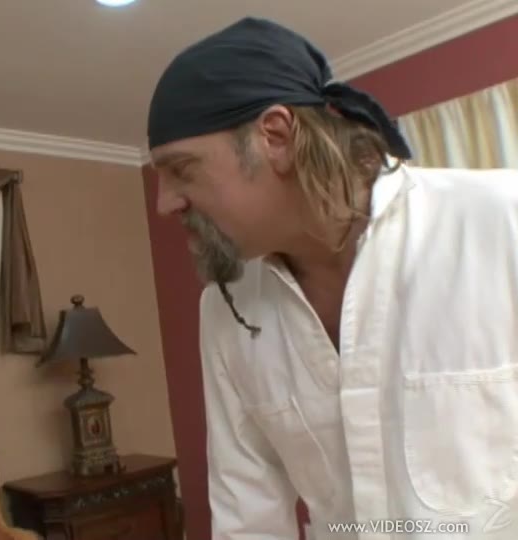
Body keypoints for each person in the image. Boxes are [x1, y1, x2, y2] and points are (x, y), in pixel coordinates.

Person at [147, 16, 518, 540]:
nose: (164, 204)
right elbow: (248, 517)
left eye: (182, 169)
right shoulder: (226, 310)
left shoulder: (502, 221)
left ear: (276, 137)